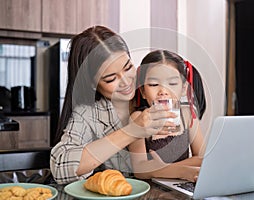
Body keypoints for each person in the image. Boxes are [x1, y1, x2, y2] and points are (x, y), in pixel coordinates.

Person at [50, 26, 177, 184]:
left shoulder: (151, 90)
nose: (126, 82)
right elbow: (60, 166)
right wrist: (131, 131)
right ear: (92, 84)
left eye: (128, 67)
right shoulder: (88, 114)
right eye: (111, 79)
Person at [128, 49, 207, 182]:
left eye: (172, 83)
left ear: (183, 89)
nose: (163, 91)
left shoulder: (187, 114)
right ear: (143, 92)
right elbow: (140, 171)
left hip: (185, 183)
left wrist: (160, 169)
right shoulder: (138, 118)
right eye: (153, 84)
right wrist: (182, 170)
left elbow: (202, 159)